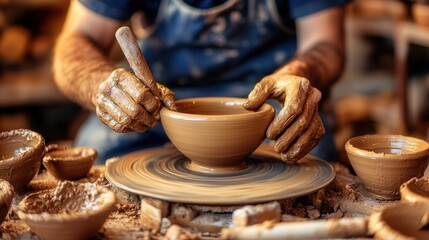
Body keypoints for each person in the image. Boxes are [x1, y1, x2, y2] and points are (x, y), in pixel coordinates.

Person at [53, 0, 349, 164]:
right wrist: (101, 85)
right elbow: (79, 39)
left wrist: (300, 72)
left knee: (312, 158)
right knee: (97, 150)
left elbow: (325, 43)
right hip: (159, 107)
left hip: (269, 105)